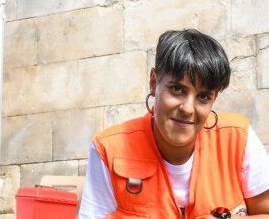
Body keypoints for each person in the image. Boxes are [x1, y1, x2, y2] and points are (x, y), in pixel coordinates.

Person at [79, 29, 269, 218]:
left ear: (214, 98)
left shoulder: (238, 137)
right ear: (154, 83)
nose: (188, 108)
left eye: (203, 96)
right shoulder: (108, 150)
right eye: (177, 89)